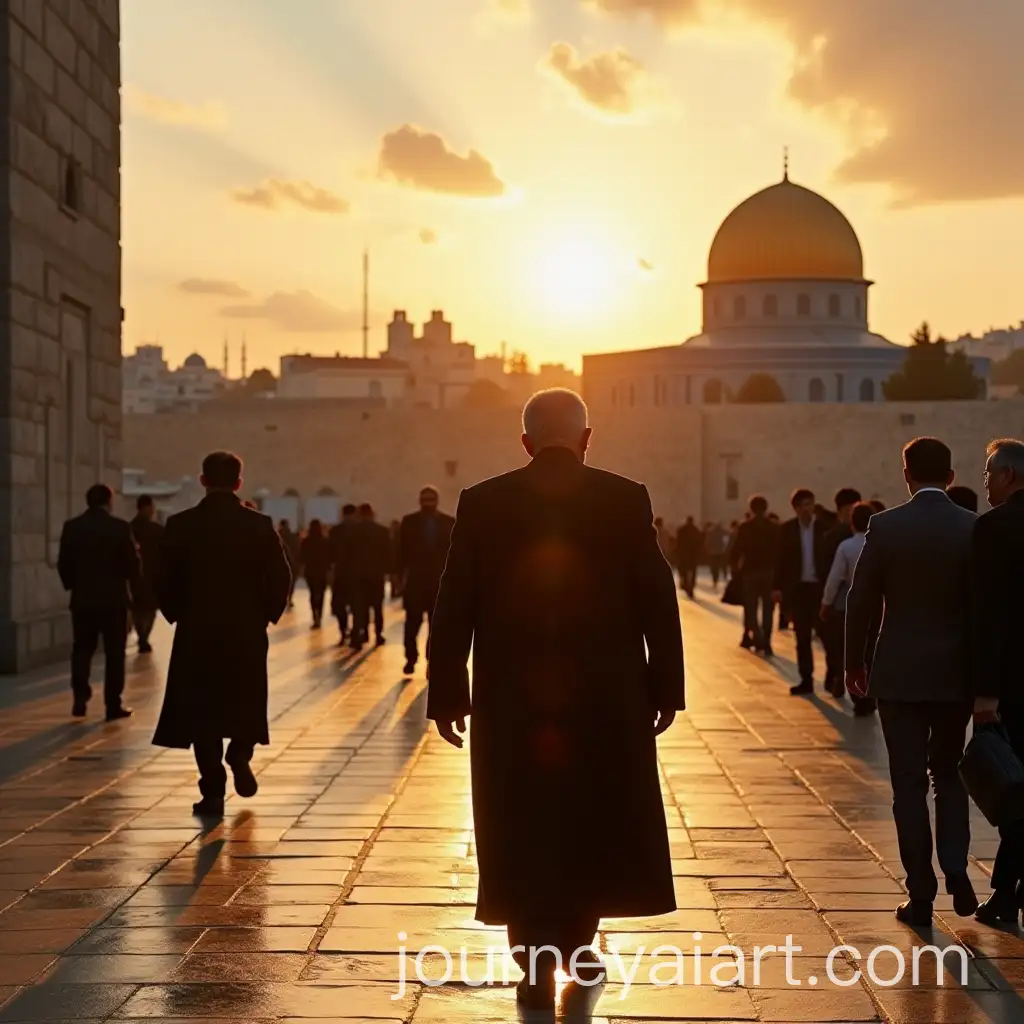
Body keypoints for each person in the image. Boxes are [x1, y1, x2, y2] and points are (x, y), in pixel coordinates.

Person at [427, 389, 684, 1010]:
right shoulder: (624, 498)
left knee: (520, 820)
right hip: (605, 696)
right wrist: (664, 687)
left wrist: (447, 693)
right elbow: (657, 595)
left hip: (512, 699)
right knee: (591, 815)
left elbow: (453, 601)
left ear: (524, 443)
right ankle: (575, 943)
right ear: (587, 439)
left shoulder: (483, 501)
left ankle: (535, 955)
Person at [845, 437, 978, 926]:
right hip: (954, 674)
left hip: (898, 672)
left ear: (906, 474)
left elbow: (861, 600)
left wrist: (853, 662)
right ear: (950, 475)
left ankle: (921, 891)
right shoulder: (972, 527)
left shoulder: (886, 526)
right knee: (949, 774)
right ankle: (958, 870)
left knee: (907, 785)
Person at [154, 452, 292, 818]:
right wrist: (265, 615)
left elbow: (162, 578)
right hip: (245, 630)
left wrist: (176, 614)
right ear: (238, 483)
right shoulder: (259, 525)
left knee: (203, 712)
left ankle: (213, 790)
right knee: (245, 699)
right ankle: (240, 752)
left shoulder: (181, 525)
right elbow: (281, 577)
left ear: (202, 481)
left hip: (197, 631)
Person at [971, 439, 1024, 924]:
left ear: (1008, 474)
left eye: (989, 473)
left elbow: (987, 617)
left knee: (1013, 787)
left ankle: (1006, 892)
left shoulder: (995, 528)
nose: (985, 481)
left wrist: (985, 692)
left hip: (1012, 684)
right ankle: (1008, 889)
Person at [58, 484, 141, 720]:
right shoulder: (120, 528)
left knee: (82, 649)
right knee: (115, 654)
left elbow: (63, 563)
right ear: (109, 501)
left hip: (83, 599)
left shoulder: (72, 527)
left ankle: (80, 696)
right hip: (114, 600)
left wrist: (74, 585)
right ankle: (112, 705)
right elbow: (132, 566)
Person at [820, 501, 876, 716]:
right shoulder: (881, 544)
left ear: (852, 523)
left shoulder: (846, 546)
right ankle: (871, 695)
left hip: (850, 606)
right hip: (877, 606)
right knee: (871, 651)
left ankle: (859, 696)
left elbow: (835, 579)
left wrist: (826, 603)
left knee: (852, 652)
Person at [773, 488, 831, 696]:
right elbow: (780, 560)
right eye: (804, 505)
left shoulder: (825, 528)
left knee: (826, 635)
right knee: (802, 636)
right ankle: (806, 679)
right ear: (796, 508)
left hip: (820, 589)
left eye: (811, 504)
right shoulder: (787, 530)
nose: (808, 509)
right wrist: (777, 588)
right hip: (798, 590)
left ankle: (833, 675)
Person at [398, 487, 455, 675]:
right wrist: (397, 576)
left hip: (439, 581)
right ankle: (410, 657)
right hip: (416, 580)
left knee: (436, 626)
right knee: (412, 624)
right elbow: (401, 552)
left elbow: (454, 553)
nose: (428, 503)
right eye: (425, 499)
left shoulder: (449, 523)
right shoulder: (409, 522)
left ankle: (432, 661)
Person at [820, 488, 862, 697]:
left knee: (843, 643)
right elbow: (827, 571)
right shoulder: (834, 537)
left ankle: (840, 678)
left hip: (844, 601)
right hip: (840, 600)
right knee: (837, 642)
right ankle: (837, 675)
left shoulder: (844, 538)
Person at [730, 496, 779, 654]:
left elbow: (737, 548)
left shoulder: (746, 527)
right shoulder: (773, 527)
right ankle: (767, 640)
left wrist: (734, 566)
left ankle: (756, 636)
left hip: (750, 571)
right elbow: (780, 551)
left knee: (750, 607)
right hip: (769, 571)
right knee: (768, 608)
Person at [349, 503, 392, 650]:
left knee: (359, 607)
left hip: (358, 575)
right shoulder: (382, 531)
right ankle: (379, 634)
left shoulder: (353, 531)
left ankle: (361, 634)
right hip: (376, 575)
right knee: (377, 607)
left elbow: (348, 555)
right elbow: (388, 553)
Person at [129, 494, 164, 654]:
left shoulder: (129, 528)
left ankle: (141, 635)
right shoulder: (157, 529)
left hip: (134, 575)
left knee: (137, 608)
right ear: (148, 508)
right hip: (153, 574)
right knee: (150, 609)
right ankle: (144, 637)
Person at [329, 505, 358, 643]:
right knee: (357, 605)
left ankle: (343, 629)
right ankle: (356, 632)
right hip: (357, 574)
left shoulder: (335, 531)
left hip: (340, 574)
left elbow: (330, 554)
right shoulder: (360, 530)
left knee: (340, 605)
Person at [299, 519, 332, 629]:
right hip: (322, 571)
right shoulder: (325, 541)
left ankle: (315, 616)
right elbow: (330, 557)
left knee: (313, 594)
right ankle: (320, 616)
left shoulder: (307, 541)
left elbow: (302, 556)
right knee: (321, 594)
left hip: (311, 571)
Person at [675, 516, 703, 599]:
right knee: (692, 571)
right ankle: (691, 588)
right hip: (693, 555)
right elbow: (700, 542)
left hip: (683, 554)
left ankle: (685, 585)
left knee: (683, 570)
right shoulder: (696, 530)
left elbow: (678, 542)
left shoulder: (681, 530)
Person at [277, 520, 300, 609]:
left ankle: (281, 599)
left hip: (279, 563)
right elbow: (298, 549)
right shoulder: (293, 536)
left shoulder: (277, 535)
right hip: (292, 563)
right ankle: (289, 598)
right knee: (291, 582)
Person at [704, 521, 729, 590]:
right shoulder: (723, 531)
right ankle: (724, 575)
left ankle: (715, 579)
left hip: (712, 552)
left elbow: (707, 541)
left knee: (714, 567)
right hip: (721, 552)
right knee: (722, 565)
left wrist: (707, 549)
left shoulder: (710, 531)